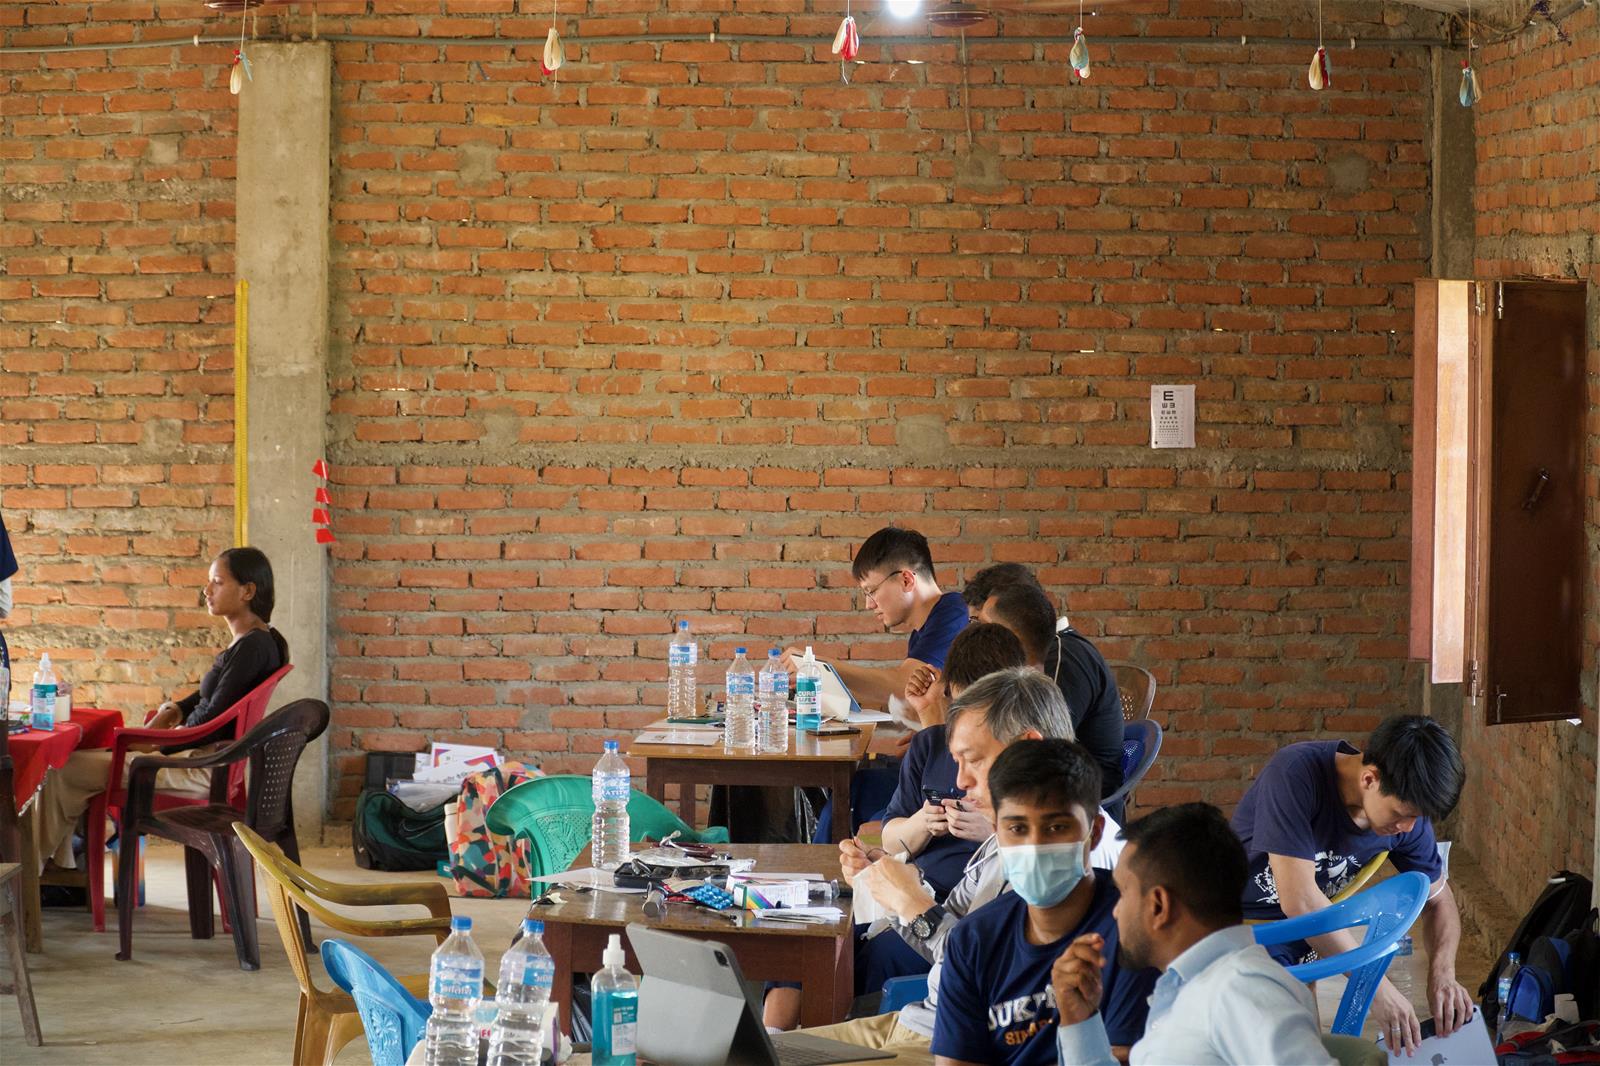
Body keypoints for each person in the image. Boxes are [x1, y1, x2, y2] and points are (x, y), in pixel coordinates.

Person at [784, 669, 1124, 1052]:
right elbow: (956, 931)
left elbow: (1003, 986)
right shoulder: (1006, 838)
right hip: (918, 1018)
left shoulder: (1063, 857)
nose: (960, 781)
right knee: (762, 1052)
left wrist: (912, 905)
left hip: (954, 1040)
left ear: (1026, 747)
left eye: (972, 760)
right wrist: (893, 884)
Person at [761, 625, 1027, 1030]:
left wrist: (992, 828)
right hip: (916, 893)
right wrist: (897, 850)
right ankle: (777, 1041)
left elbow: (976, 954)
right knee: (809, 929)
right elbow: (891, 837)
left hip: (933, 914)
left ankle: (815, 1042)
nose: (962, 780)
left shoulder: (1026, 813)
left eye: (973, 760)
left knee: (853, 957)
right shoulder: (934, 745)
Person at [32, 547, 290, 868]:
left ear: (248, 591)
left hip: (196, 768)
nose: (206, 591)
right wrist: (175, 711)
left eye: (217, 582)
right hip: (203, 759)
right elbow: (212, 697)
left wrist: (156, 744)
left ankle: (33, 869)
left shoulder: (252, 647)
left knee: (63, 769)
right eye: (208, 582)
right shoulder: (259, 641)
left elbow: (211, 718)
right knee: (82, 761)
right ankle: (64, 865)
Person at [1230, 714, 1470, 1056]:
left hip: (1300, 939)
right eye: (1402, 814)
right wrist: (1376, 989)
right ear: (1369, 778)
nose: (1408, 827)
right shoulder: (1296, 774)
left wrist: (1443, 972)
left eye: (1417, 818)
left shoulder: (1405, 819)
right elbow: (1300, 902)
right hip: (1237, 929)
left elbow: (1439, 900)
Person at [1055, 803, 1335, 1066]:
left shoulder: (1241, 990)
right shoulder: (1185, 986)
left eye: (1123, 893)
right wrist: (1081, 1021)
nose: (1115, 912)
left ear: (1158, 906)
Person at [932, 738, 1155, 1066]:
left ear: (1093, 832)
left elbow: (1125, 1058)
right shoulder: (973, 939)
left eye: (1056, 827)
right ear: (996, 833)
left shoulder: (1132, 927)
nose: (1035, 845)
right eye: (1017, 828)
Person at [782, 526, 968, 711]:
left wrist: (819, 666)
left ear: (906, 580)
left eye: (871, 591)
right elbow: (912, 702)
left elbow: (903, 686)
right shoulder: (923, 631)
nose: (869, 605)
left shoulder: (954, 612)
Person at [979, 581, 1125, 807]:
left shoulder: (1063, 659)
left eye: (984, 627)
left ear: (1012, 633)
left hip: (1076, 804)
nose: (977, 635)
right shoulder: (1037, 661)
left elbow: (1037, 755)